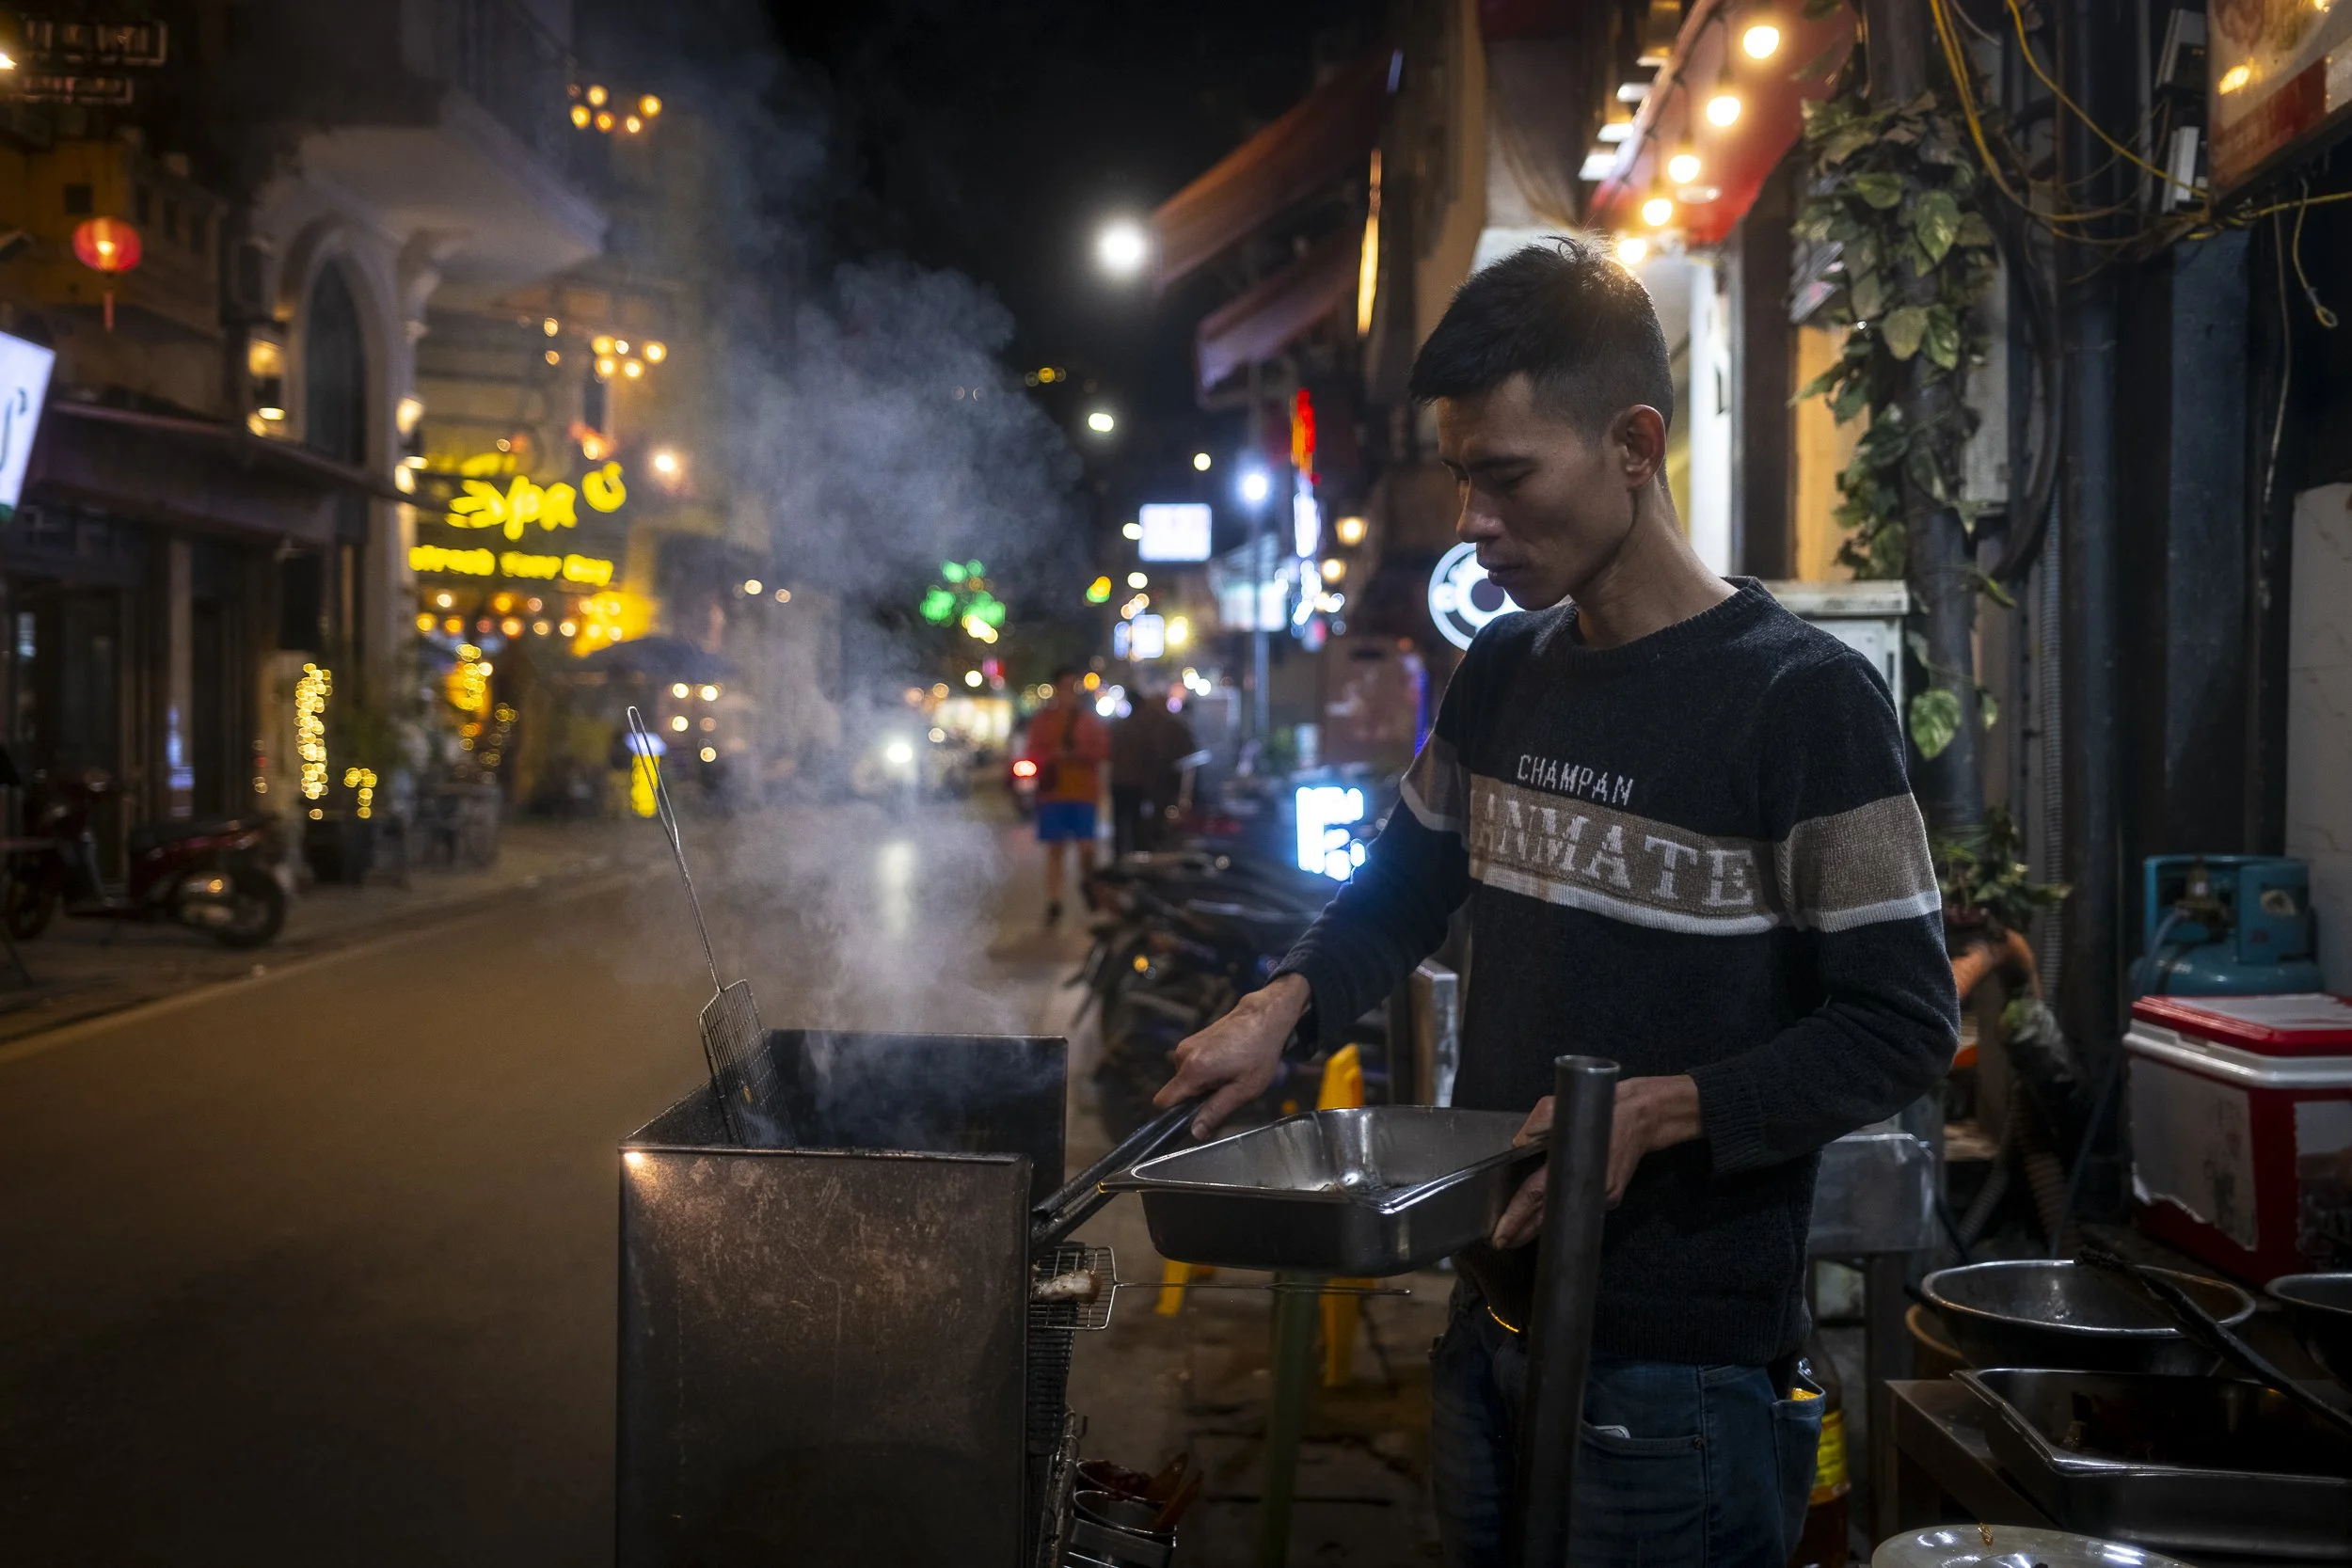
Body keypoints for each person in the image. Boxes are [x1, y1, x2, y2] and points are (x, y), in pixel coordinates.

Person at [1153, 241, 1957, 1568]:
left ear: (1635, 444)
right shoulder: (1503, 670)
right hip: (1492, 1320)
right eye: (1462, 474)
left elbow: (1901, 1023)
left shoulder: (1798, 701)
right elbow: (1406, 883)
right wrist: (1281, 1004)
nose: (1472, 516)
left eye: (1508, 474)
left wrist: (1660, 1107)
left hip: (1678, 1379)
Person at [1022, 666, 1110, 926]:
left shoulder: (1089, 721)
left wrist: (1080, 753)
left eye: (1074, 686)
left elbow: (1103, 750)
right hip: (1053, 794)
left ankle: (1088, 884)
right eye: (1065, 686)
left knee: (1087, 848)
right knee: (1055, 850)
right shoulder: (1043, 720)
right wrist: (1053, 756)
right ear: (1057, 689)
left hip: (1084, 793)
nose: (1070, 692)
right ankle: (1055, 900)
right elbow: (1033, 751)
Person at [1108, 685, 1198, 856]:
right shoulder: (1152, 726)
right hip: (1141, 785)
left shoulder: (1126, 726)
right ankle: (1135, 858)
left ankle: (1127, 858)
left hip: (1128, 783)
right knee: (1136, 826)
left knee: (1126, 826)